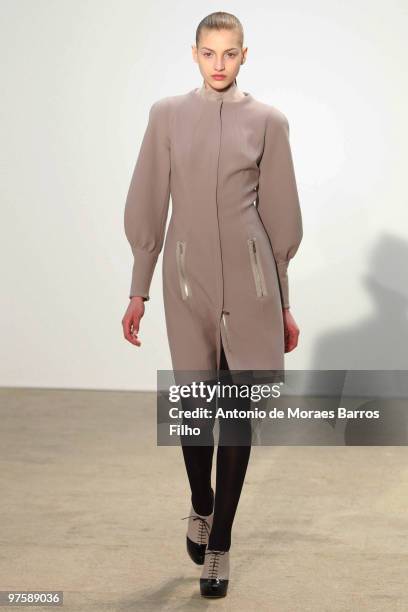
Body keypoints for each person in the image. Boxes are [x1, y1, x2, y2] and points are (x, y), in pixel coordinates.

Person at [122, 11, 303, 599]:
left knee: (238, 412)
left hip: (251, 288)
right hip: (185, 280)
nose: (219, 64)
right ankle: (201, 503)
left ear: (245, 55)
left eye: (230, 53)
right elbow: (149, 198)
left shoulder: (268, 122)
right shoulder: (167, 116)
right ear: (194, 54)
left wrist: (284, 302)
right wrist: (138, 287)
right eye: (209, 53)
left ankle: (219, 544)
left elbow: (280, 215)